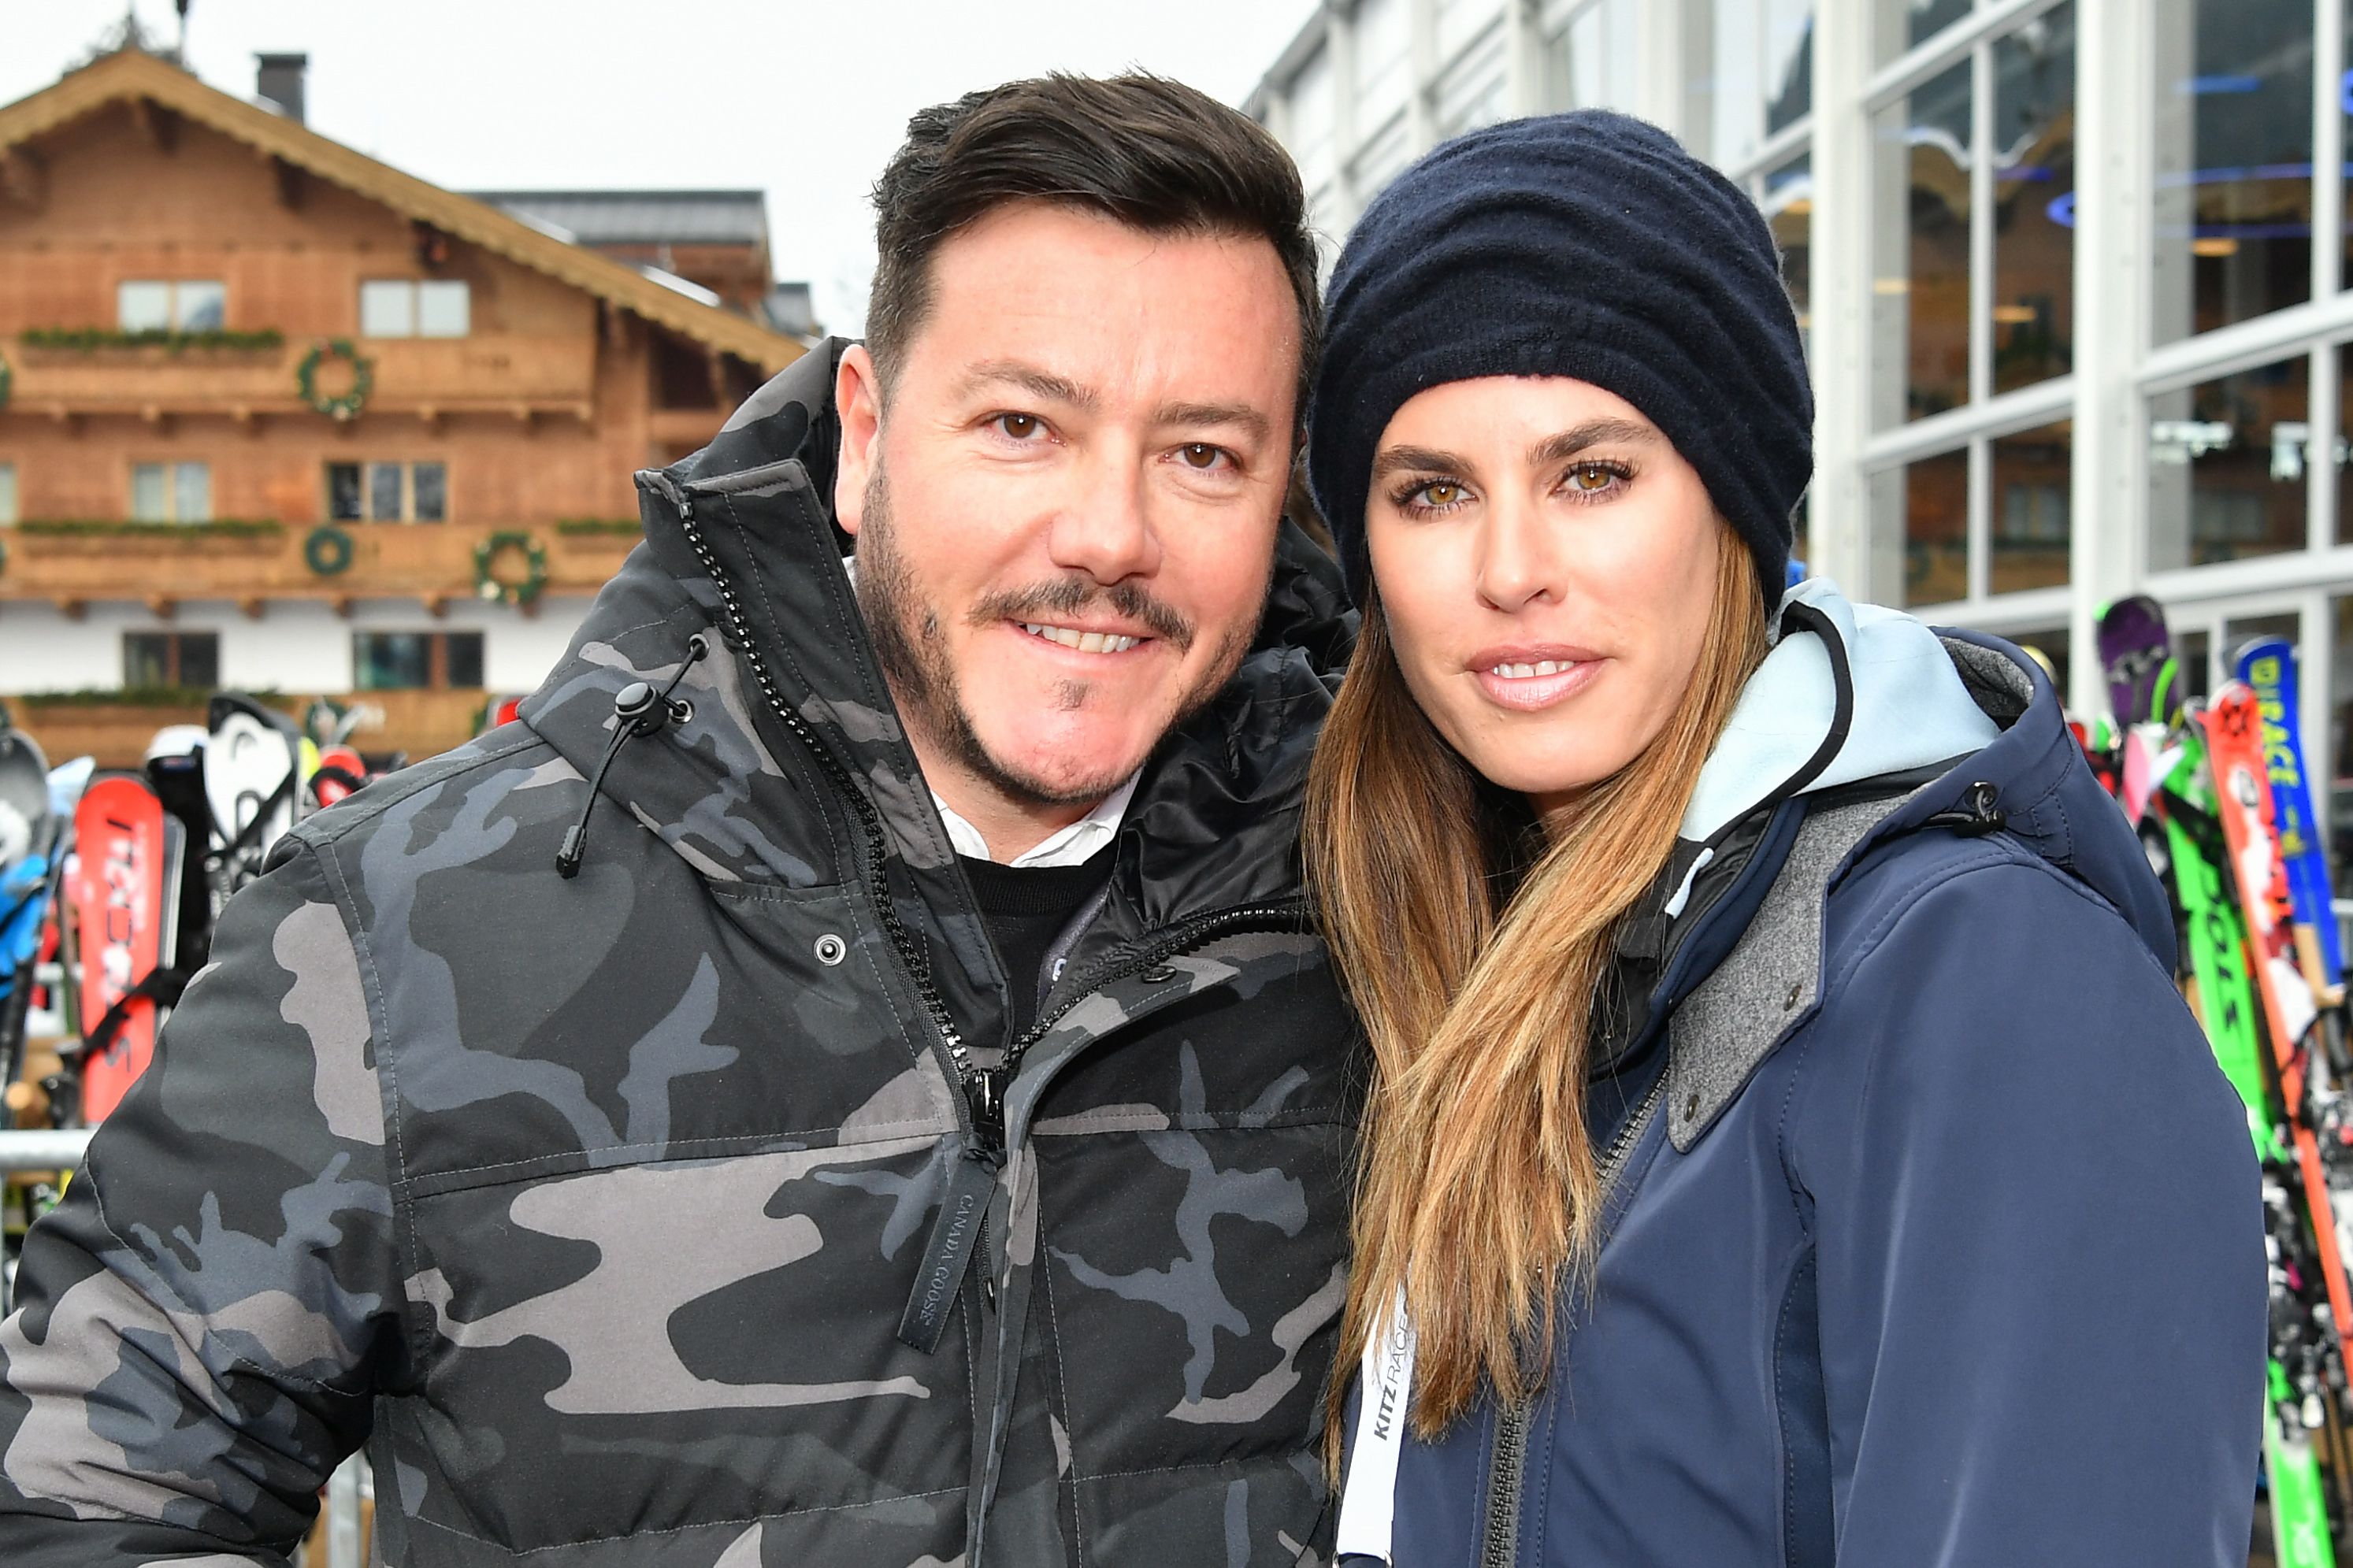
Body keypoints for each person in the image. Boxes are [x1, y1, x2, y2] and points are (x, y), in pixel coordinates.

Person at [0, 74, 1360, 1566]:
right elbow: (73, 1500)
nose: (1111, 534)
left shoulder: (1389, 922)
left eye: (1204, 454)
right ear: (863, 435)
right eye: (1024, 423)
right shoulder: (400, 930)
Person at [1301, 112, 2265, 1565]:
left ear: (1735, 506)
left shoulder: (1982, 979)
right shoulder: (1468, 958)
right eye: (1431, 491)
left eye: (1594, 473)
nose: (1508, 571)